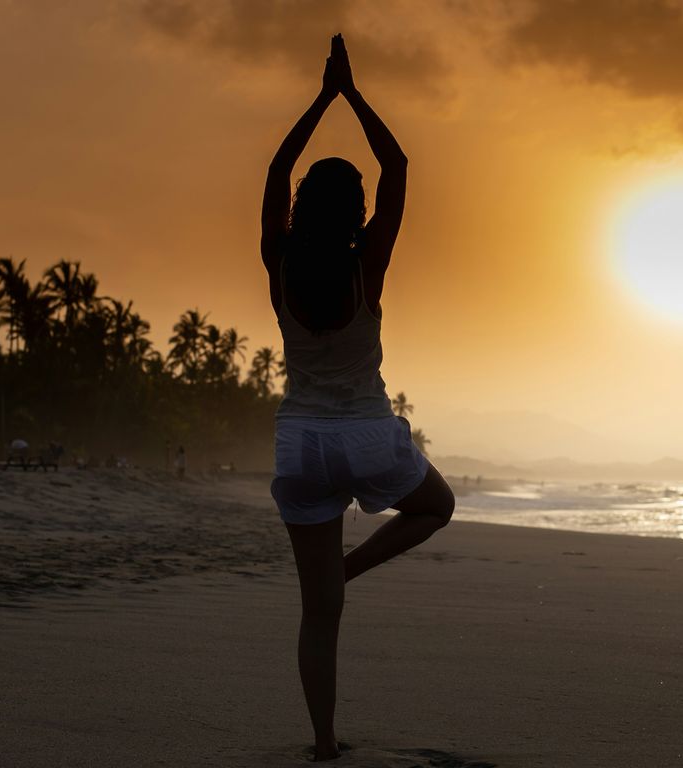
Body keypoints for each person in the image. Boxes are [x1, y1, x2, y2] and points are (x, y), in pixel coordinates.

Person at [261, 34, 455, 762]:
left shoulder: (277, 263)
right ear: (356, 212)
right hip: (369, 435)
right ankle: (351, 567)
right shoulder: (366, 264)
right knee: (437, 507)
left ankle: (322, 742)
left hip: (301, 444)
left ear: (302, 207)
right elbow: (398, 165)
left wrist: (319, 98)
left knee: (319, 616)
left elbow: (278, 168)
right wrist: (350, 91)